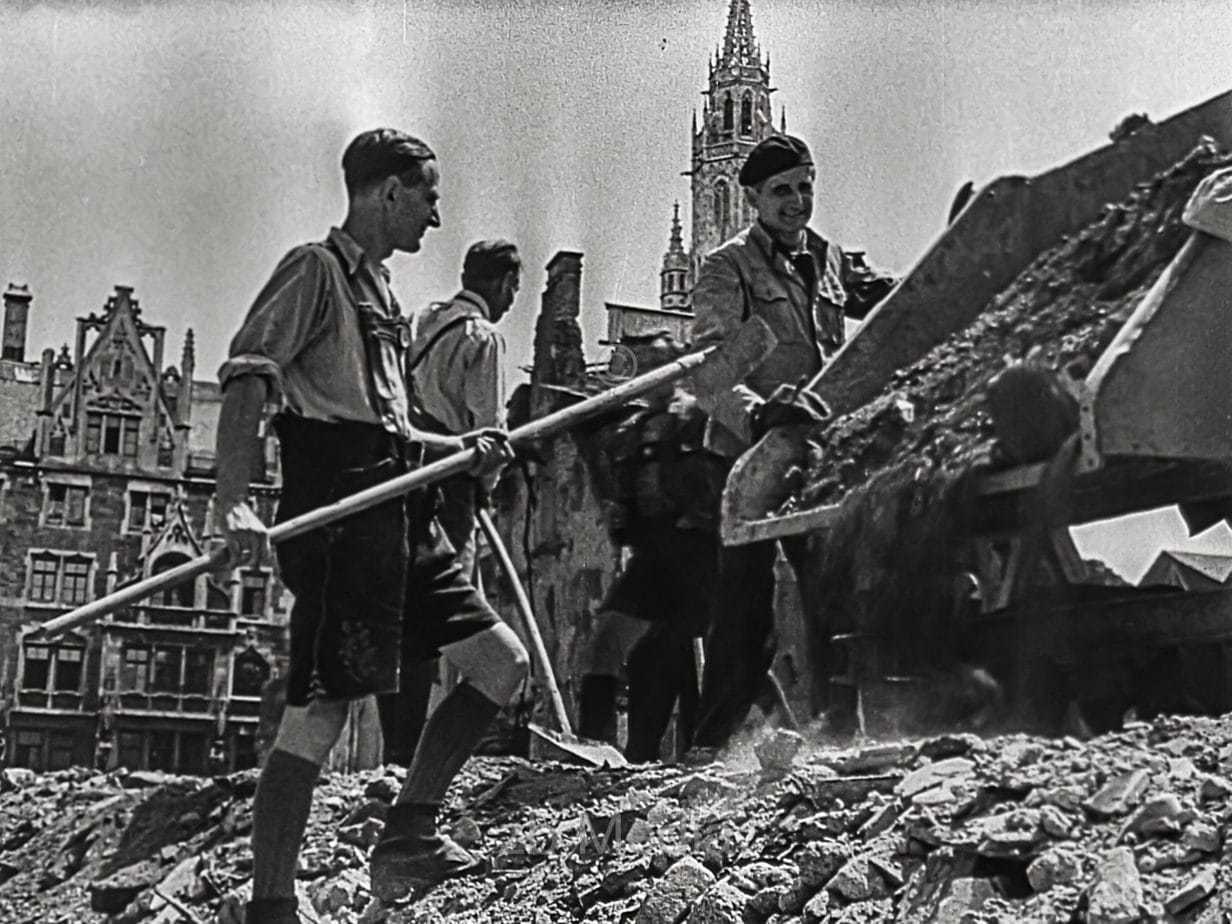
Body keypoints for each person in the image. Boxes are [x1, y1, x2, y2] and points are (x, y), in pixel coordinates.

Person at [214, 128, 529, 923]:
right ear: (388, 192)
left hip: (399, 509)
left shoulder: (387, 297)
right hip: (340, 520)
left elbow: (390, 425)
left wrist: (458, 450)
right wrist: (234, 500)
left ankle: (410, 831)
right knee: (320, 712)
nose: (434, 212)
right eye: (427, 194)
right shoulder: (313, 272)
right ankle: (272, 905)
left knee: (501, 664)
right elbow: (249, 376)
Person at [689, 134, 896, 750]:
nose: (797, 201)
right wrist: (759, 414)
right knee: (744, 613)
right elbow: (711, 367)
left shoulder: (828, 259)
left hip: (815, 459)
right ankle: (712, 748)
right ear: (752, 197)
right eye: (782, 190)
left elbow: (882, 297)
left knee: (833, 593)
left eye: (806, 187)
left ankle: (839, 734)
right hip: (747, 459)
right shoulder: (727, 268)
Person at [376, 239, 523, 768]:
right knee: (450, 617)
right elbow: (490, 436)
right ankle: (435, 759)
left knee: (408, 618)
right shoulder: (483, 338)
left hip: (403, 476)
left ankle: (399, 752)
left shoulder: (424, 320)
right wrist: (486, 484)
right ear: (505, 285)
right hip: (449, 482)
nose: (509, 300)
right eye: (512, 289)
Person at [579, 379, 726, 762]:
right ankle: (594, 748)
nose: (649, 373)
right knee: (609, 641)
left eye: (657, 364)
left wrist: (701, 516)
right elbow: (628, 493)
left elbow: (717, 476)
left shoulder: (699, 413)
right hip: (652, 554)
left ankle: (711, 750)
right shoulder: (638, 429)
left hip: (696, 552)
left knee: (704, 657)